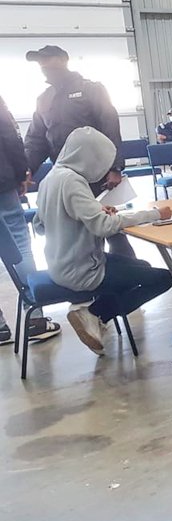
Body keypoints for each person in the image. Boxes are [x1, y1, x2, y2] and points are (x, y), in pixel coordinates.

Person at [35, 127, 172, 355]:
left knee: (142, 267)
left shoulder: (51, 177)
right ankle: (96, 314)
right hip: (82, 270)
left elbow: (39, 226)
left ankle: (96, 316)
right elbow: (104, 227)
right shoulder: (72, 181)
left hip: (60, 263)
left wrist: (93, 210)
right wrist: (155, 214)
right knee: (164, 278)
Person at [24, 45, 134, 257]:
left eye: (47, 59)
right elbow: (36, 140)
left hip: (98, 175)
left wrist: (115, 168)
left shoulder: (91, 89)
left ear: (63, 60)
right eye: (40, 62)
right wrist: (26, 168)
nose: (44, 65)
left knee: (112, 229)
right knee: (77, 232)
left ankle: (129, 270)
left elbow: (110, 127)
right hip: (66, 179)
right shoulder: (43, 99)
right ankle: (91, 271)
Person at [0, 94, 61, 345]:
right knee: (20, 244)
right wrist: (22, 173)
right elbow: (9, 137)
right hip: (2, 182)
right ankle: (35, 320)